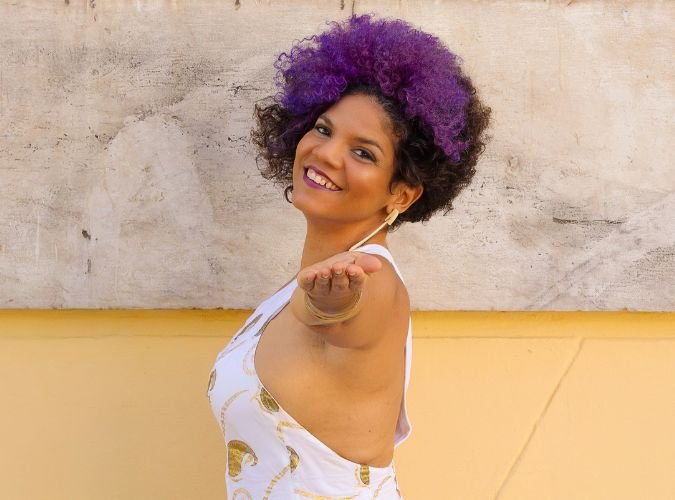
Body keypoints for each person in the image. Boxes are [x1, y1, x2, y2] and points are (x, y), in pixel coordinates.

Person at [207, 14, 490, 498]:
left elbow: (352, 318)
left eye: (364, 153)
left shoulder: (371, 280)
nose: (327, 153)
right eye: (323, 129)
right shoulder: (288, 292)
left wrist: (332, 308)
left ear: (401, 194)